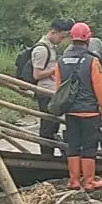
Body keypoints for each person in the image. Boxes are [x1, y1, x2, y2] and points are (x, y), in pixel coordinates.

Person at [54, 22, 102, 190]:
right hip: (89, 112)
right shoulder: (92, 61)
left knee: (73, 145)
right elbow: (100, 87)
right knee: (89, 146)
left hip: (71, 112)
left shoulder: (61, 61)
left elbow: (59, 88)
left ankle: (73, 180)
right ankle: (89, 181)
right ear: (88, 38)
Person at [68, 28, 102, 151]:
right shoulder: (96, 46)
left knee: (78, 142)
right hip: (91, 96)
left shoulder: (68, 52)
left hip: (76, 99)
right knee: (100, 126)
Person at [33, 19, 73, 157]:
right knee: (47, 127)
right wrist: (55, 70)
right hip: (45, 92)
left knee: (53, 126)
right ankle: (46, 156)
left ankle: (51, 154)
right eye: (61, 37)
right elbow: (37, 74)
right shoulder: (41, 49)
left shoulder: (50, 48)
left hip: (52, 91)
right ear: (53, 32)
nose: (61, 40)